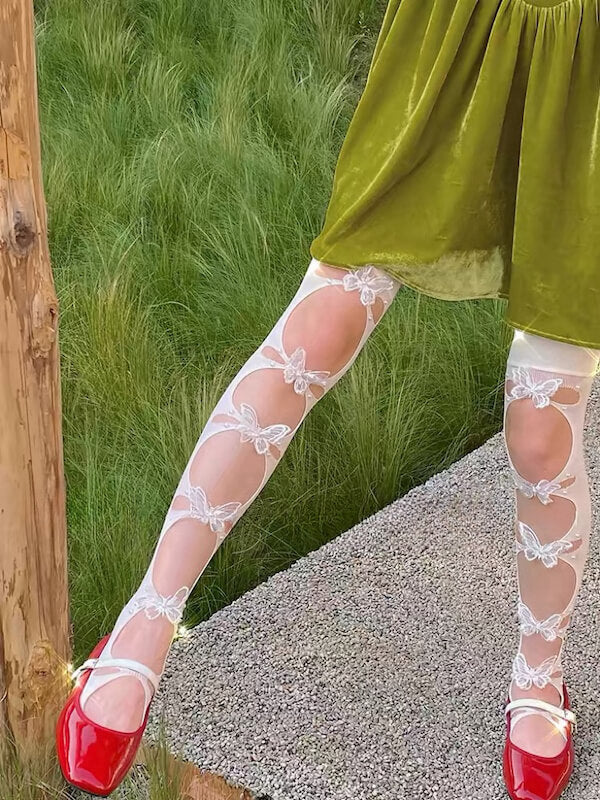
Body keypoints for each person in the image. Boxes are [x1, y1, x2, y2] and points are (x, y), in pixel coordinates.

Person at [55, 1, 600, 798]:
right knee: (323, 327)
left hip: (586, 78)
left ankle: (540, 672)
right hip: (458, 35)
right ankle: (146, 620)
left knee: (542, 427)